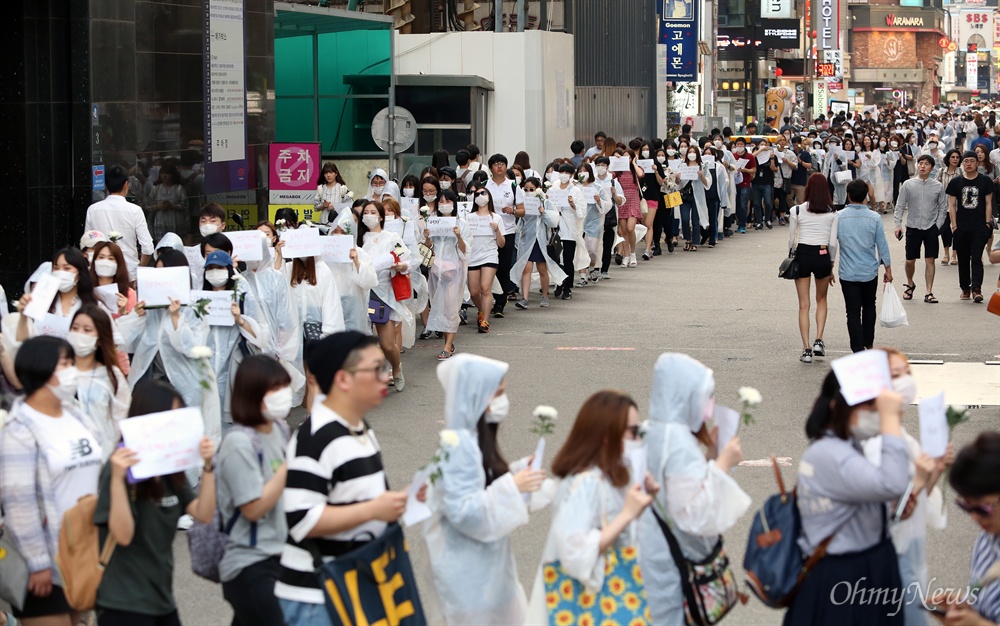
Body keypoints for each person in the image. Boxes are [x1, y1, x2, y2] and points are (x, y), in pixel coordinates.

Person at [275, 332, 408, 626]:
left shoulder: (358, 427)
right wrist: (375, 510)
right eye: (376, 369)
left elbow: (365, 498)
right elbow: (301, 520)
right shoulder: (316, 436)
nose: (384, 377)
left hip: (350, 584)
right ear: (343, 380)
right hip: (316, 597)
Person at [424, 354, 546, 624]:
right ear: (478, 396)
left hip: (484, 574)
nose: (503, 401)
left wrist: (513, 473)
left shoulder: (471, 439)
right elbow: (465, 511)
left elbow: (481, 485)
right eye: (498, 393)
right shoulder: (460, 446)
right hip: (469, 581)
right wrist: (512, 485)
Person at [783, 372, 909, 625]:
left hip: (861, 571)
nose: (875, 412)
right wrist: (890, 418)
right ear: (836, 405)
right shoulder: (830, 454)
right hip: (844, 579)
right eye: (869, 405)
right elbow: (892, 483)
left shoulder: (844, 446)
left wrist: (891, 510)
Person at [524, 390, 655, 624]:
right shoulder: (588, 483)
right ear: (607, 436)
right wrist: (627, 515)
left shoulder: (604, 475)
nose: (639, 440)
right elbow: (575, 552)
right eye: (634, 432)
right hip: (590, 603)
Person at [0, 336, 104, 626]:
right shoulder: (19, 430)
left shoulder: (74, 413)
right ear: (40, 369)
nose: (72, 369)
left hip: (84, 550)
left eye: (73, 362)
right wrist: (38, 563)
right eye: (65, 364)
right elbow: (19, 502)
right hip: (46, 558)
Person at [95, 380, 217, 626]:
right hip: (123, 602)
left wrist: (208, 466)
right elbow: (124, 535)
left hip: (161, 597)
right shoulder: (118, 469)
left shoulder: (170, 469)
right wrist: (118, 482)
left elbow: (203, 514)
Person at [638, 353, 749, 623]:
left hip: (649, 553)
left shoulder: (651, 430)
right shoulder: (677, 445)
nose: (709, 405)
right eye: (706, 396)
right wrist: (721, 465)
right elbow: (692, 514)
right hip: (670, 569)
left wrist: (710, 457)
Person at [115, 249, 223, 444]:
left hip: (186, 383)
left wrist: (176, 319)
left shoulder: (194, 305)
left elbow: (193, 346)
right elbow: (126, 341)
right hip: (150, 383)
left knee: (184, 440)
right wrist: (135, 316)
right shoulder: (149, 307)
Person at [217, 356, 291, 626]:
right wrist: (288, 466)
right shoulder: (238, 442)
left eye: (284, 386)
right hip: (250, 563)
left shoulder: (280, 429)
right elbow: (253, 508)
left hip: (280, 554)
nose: (283, 394)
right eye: (274, 389)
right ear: (252, 393)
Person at [933, 431, 1000, 625]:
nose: (974, 516)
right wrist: (965, 608)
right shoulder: (987, 540)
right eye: (966, 506)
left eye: (982, 507)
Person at [201, 250, 269, 425]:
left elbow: (260, 334)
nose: (215, 272)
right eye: (211, 268)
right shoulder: (199, 300)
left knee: (233, 418)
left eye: (220, 268)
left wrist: (240, 319)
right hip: (205, 372)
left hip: (233, 369)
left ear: (229, 270)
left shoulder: (241, 297)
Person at [359, 200, 412, 390]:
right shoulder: (357, 239)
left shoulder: (391, 238)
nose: (369, 215)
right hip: (360, 292)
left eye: (373, 212)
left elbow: (407, 258)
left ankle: (396, 368)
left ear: (381, 216)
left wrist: (401, 265)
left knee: (387, 343)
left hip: (382, 293)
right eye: (366, 212)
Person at [836, 179, 893, 353]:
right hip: (869, 270)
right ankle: (868, 342)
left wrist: (830, 266)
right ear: (866, 195)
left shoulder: (838, 217)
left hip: (847, 272)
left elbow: (832, 243)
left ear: (848, 195)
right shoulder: (874, 217)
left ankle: (857, 347)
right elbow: (881, 244)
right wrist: (888, 268)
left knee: (852, 312)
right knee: (869, 305)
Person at [789, 173, 839, 363]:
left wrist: (791, 255)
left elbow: (791, 239)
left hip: (803, 253)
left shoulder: (797, 211)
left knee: (803, 304)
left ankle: (806, 348)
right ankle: (819, 340)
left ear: (808, 188)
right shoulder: (833, 212)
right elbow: (833, 242)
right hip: (823, 253)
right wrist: (831, 262)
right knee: (822, 299)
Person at [70, 304, 131, 458]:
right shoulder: (59, 371)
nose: (79, 334)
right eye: (75, 328)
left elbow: (122, 418)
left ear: (99, 338)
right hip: (66, 456)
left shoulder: (111, 376)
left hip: (102, 457)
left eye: (87, 330)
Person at [85, 164, 154, 281]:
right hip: (129, 273)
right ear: (126, 184)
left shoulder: (93, 209)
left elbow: (88, 244)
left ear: (106, 185)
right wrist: (139, 270)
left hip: (101, 274)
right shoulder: (135, 210)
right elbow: (147, 248)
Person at [422, 190, 471, 357]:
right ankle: (448, 342)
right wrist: (427, 237)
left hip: (453, 273)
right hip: (436, 271)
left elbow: (465, 251)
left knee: (451, 309)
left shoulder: (461, 224)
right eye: (441, 201)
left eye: (448, 201)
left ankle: (447, 346)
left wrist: (459, 237)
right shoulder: (433, 222)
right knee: (439, 308)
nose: (444, 204)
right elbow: (428, 247)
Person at [894, 154, 948, 304]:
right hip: (913, 226)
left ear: (932, 167)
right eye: (920, 163)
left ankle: (928, 291)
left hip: (931, 227)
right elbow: (899, 206)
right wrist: (898, 224)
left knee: (930, 260)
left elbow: (943, 208)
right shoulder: (908, 184)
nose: (923, 166)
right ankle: (910, 284)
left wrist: (938, 225)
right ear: (917, 165)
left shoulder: (937, 186)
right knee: (910, 260)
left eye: (926, 164)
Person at [946, 150, 994, 302]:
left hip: (980, 225)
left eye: (972, 161)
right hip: (961, 226)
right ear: (962, 163)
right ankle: (965, 287)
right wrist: (954, 225)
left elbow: (988, 203)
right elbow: (952, 205)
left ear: (977, 163)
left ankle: (977, 288)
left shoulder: (985, 181)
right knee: (964, 257)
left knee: (977, 257)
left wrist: (987, 223)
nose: (969, 164)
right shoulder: (956, 182)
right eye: (966, 161)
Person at [511, 177, 565, 309]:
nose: (529, 191)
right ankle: (525, 298)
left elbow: (553, 221)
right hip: (527, 239)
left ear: (538, 189)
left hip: (541, 240)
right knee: (526, 268)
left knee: (542, 269)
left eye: (531, 189)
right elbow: (520, 223)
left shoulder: (545, 202)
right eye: (526, 189)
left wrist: (543, 212)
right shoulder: (523, 203)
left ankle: (545, 295)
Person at [485, 154, 524, 316]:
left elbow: (522, 211)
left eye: (502, 164)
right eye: (496, 164)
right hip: (487, 232)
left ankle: (500, 301)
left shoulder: (513, 186)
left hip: (507, 231)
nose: (499, 167)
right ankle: (491, 297)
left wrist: (513, 210)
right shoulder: (485, 185)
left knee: (503, 267)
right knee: (488, 266)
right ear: (491, 167)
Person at [464, 181, 505, 333]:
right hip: (473, 256)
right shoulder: (468, 217)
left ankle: (485, 320)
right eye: (477, 194)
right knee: (474, 291)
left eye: (483, 193)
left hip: (490, 255)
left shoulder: (496, 218)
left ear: (489, 197)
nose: (480, 196)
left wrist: (497, 231)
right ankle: (481, 310)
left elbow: (502, 244)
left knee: (485, 288)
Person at [549, 163, 585, 299]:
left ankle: (568, 287)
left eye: (567, 172)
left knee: (568, 258)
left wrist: (573, 205)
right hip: (555, 228)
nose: (564, 175)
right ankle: (559, 282)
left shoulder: (576, 191)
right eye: (561, 172)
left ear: (571, 175)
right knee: (556, 258)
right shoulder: (553, 188)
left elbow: (582, 212)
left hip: (569, 229)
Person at [90, 240, 138, 319]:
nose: (105, 262)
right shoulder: (85, 290)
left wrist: (123, 312)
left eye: (111, 258)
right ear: (94, 261)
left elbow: (133, 327)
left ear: (118, 264)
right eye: (101, 257)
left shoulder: (129, 294)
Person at [146, 162, 189, 242]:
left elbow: (185, 206)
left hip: (176, 222)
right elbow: (148, 205)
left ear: (173, 175)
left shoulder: (179, 189)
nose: (164, 176)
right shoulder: (156, 189)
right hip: (160, 221)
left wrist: (172, 205)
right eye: (162, 173)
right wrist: (159, 206)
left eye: (167, 174)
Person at [937, 149, 963, 265]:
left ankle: (954, 254)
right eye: (953, 157)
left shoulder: (962, 172)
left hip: (958, 207)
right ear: (948, 158)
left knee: (956, 230)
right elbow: (935, 187)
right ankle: (946, 253)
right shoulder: (941, 171)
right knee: (944, 230)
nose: (955, 159)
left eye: (957, 157)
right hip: (943, 206)